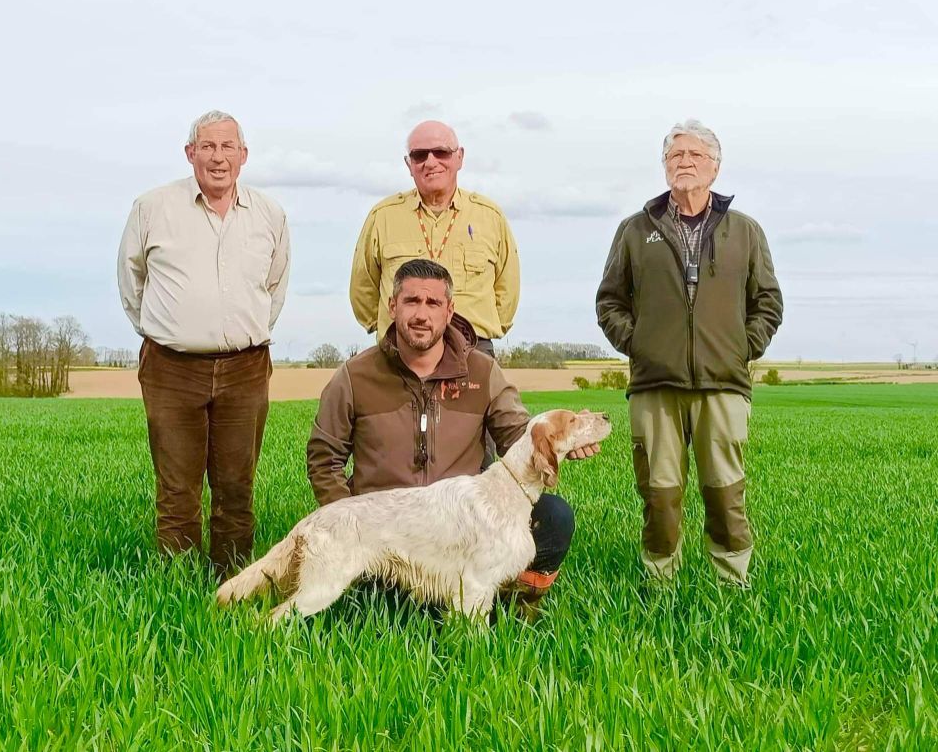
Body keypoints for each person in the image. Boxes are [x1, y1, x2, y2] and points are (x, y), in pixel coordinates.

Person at [310, 258, 596, 616]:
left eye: (433, 304)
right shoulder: (354, 376)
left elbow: (518, 438)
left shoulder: (482, 370)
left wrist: (563, 440)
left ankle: (514, 604)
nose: (421, 314)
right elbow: (323, 457)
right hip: (384, 539)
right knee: (382, 614)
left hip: (462, 533)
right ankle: (393, 591)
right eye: (412, 301)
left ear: (449, 311)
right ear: (392, 306)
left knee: (553, 515)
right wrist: (349, 526)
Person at [596, 119, 783, 587]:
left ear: (715, 168)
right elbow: (610, 300)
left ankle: (731, 584)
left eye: (694, 156)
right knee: (659, 495)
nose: (684, 163)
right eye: (675, 156)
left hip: (724, 384)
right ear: (664, 167)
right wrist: (639, 345)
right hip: (654, 385)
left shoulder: (745, 231)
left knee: (725, 493)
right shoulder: (636, 230)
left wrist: (742, 349)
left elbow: (768, 302)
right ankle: (661, 585)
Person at [117, 110, 291, 574]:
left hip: (245, 368)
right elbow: (132, 281)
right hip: (172, 368)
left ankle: (232, 585)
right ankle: (177, 590)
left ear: (243, 155)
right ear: (190, 153)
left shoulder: (269, 214)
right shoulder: (152, 208)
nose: (218, 158)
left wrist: (238, 333)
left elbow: (274, 287)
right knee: (177, 489)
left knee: (237, 487)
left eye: (227, 147)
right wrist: (172, 330)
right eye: (207, 147)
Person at [349, 120, 520, 359]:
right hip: (401, 355)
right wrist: (393, 329)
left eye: (441, 152)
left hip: (472, 355)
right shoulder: (383, 217)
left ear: (459, 157)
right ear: (409, 164)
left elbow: (507, 292)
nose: (430, 162)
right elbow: (363, 291)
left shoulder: (490, 216)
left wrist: (478, 332)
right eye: (419, 155)